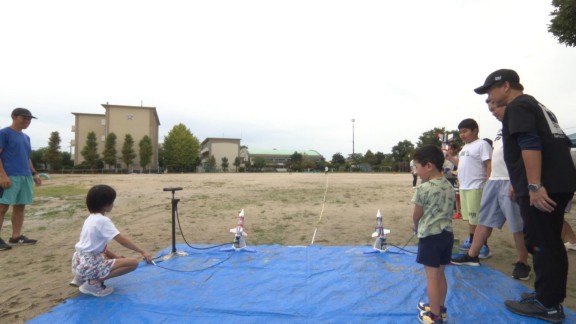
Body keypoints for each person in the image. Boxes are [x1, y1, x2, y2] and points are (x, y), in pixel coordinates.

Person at [475, 69, 576, 323]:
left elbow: (530, 143)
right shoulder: (538, 105)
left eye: (490, 91)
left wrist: (533, 185)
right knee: (549, 240)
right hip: (558, 182)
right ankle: (546, 295)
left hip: (544, 186)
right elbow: (562, 144)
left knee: (543, 243)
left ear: (506, 86)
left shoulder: (518, 106)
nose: (489, 97)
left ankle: (549, 305)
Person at [451, 100, 531, 281]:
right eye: (491, 109)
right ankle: (472, 255)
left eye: (496, 107)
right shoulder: (500, 129)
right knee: (483, 221)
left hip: (510, 180)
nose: (493, 111)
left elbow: (527, 153)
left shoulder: (521, 124)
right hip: (493, 181)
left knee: (517, 225)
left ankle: (523, 262)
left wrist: (518, 181)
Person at [71, 184, 153, 297]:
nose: (113, 204)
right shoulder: (103, 220)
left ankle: (80, 278)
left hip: (78, 262)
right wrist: (142, 252)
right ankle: (93, 283)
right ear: (105, 205)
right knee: (133, 263)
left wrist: (116, 257)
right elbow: (121, 240)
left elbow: (99, 247)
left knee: (109, 257)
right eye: (112, 202)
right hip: (89, 264)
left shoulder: (90, 218)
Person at [411, 145, 455, 324]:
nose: (416, 171)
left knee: (431, 278)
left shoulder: (423, 188)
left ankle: (435, 317)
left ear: (429, 166)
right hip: (447, 236)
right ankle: (440, 308)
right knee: (441, 274)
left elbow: (417, 214)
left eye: (417, 167)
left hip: (430, 237)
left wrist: (415, 226)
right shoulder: (449, 185)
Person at [446, 119, 492, 257]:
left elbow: (489, 164)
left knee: (478, 219)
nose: (462, 135)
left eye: (465, 131)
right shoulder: (464, 148)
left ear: (475, 130)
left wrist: (489, 182)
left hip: (477, 186)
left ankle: (483, 246)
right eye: (460, 132)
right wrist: (450, 158)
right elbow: (461, 164)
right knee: (471, 218)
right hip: (465, 187)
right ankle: (473, 240)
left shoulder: (482, 144)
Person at [0, 108, 41, 251]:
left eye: (29, 119)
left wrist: (34, 173)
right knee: (2, 207)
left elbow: (26, 156)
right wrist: (2, 175)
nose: (27, 121)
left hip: (24, 176)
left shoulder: (26, 137)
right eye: (24, 118)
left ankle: (16, 236)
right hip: (9, 175)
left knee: (20, 206)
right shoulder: (4, 133)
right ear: (13, 117)